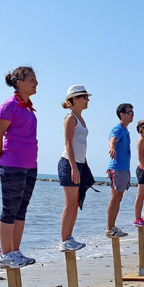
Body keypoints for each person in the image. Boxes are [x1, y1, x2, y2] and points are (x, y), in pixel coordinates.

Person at [0, 66, 39, 267]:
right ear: (19, 83)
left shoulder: (28, 107)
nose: (36, 83)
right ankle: (5, 255)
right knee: (9, 210)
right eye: (32, 80)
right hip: (12, 165)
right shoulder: (9, 106)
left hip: (30, 166)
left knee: (21, 211)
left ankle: (16, 252)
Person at [58, 85, 94, 251]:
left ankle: (70, 237)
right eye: (84, 97)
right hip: (69, 163)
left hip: (79, 163)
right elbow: (68, 143)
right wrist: (73, 167)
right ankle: (64, 240)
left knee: (75, 204)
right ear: (74, 100)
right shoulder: (70, 118)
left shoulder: (81, 119)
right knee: (70, 204)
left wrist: (82, 165)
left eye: (87, 97)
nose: (87, 100)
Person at [105, 103, 134, 238]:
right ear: (121, 114)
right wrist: (112, 147)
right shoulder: (118, 128)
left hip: (124, 168)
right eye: (129, 112)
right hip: (117, 168)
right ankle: (109, 228)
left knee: (119, 198)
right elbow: (112, 140)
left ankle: (112, 226)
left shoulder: (125, 130)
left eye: (132, 112)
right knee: (115, 198)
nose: (132, 114)